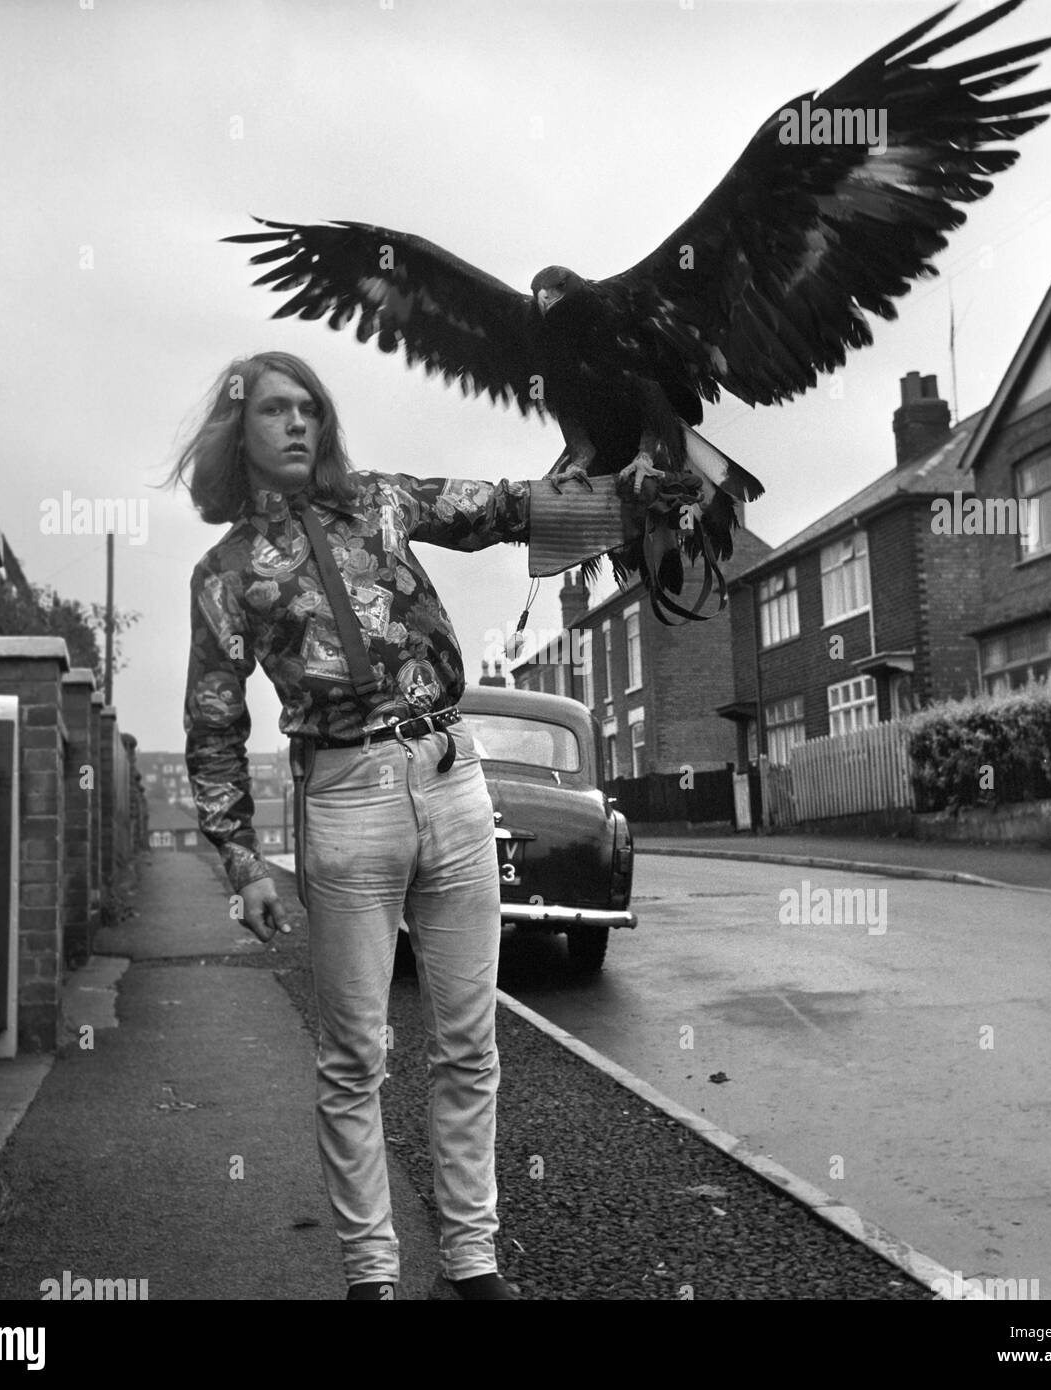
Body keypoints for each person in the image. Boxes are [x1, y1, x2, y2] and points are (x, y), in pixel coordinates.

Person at [170, 350, 614, 1301]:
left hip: (453, 781)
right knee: (353, 1057)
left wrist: (618, 501)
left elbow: (495, 506)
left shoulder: (379, 502)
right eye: (278, 411)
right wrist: (243, 861)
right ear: (238, 429)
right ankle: (372, 1276)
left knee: (469, 1041)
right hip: (346, 799)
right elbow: (214, 725)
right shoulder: (225, 575)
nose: (300, 425)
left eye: (313, 410)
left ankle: (472, 1262)